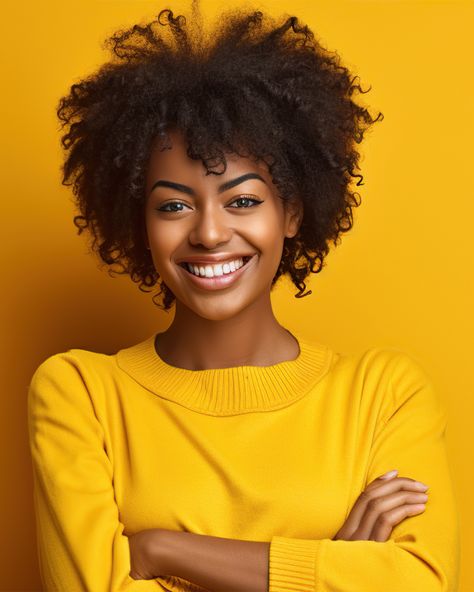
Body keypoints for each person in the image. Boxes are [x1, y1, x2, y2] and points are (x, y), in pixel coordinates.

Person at [27, 2, 460, 591]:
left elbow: (422, 583)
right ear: (140, 223)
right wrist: (331, 566)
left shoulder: (382, 394)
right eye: (174, 205)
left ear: (293, 212)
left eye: (243, 200)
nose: (207, 232)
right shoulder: (81, 396)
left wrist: (163, 549)